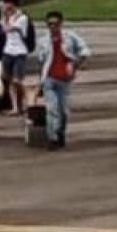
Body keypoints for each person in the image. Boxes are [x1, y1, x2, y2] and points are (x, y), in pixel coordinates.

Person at [35, 10, 91, 150]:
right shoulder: (43, 40)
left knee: (63, 111)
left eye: (55, 24)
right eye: (50, 24)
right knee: (52, 109)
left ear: (61, 24)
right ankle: (52, 138)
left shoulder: (70, 37)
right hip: (49, 79)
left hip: (64, 80)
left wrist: (75, 63)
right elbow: (42, 60)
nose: (53, 27)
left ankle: (60, 132)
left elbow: (85, 50)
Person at [0, 0, 32, 116]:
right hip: (8, 50)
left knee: (17, 80)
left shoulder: (22, 18)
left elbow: (6, 29)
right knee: (9, 79)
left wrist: (3, 16)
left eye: (6, 3)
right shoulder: (10, 16)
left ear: (12, 4)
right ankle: (15, 106)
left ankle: (28, 97)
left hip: (19, 51)